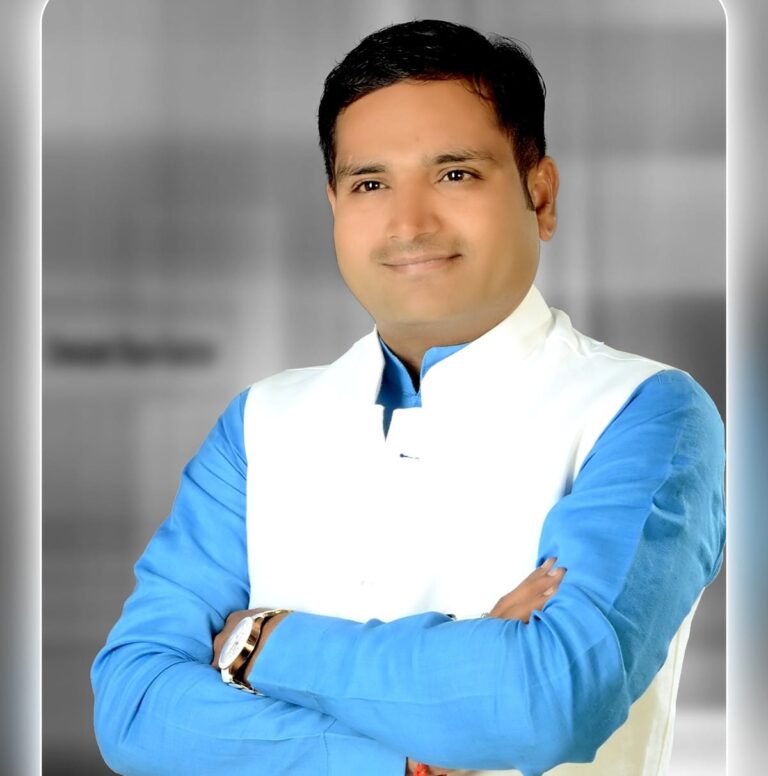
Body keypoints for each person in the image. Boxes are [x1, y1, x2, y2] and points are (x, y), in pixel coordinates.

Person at [91, 19, 725, 776]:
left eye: (455, 174)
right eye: (370, 184)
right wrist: (404, 759)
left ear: (541, 193)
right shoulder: (259, 425)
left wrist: (258, 640)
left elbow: (547, 699)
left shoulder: (644, 412)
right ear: (334, 207)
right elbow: (135, 708)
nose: (409, 224)